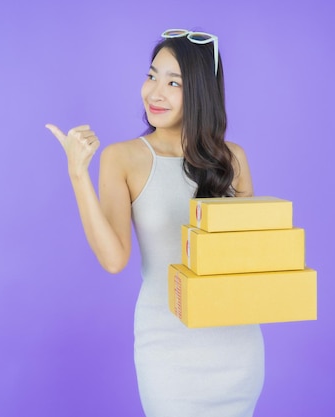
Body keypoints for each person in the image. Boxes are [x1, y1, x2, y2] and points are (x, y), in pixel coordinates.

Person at [46, 29, 265, 417]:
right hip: (167, 350)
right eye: (151, 76)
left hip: (236, 349)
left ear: (199, 92)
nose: (154, 92)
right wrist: (78, 175)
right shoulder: (123, 158)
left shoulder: (233, 159)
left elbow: (248, 262)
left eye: (173, 82)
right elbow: (114, 260)